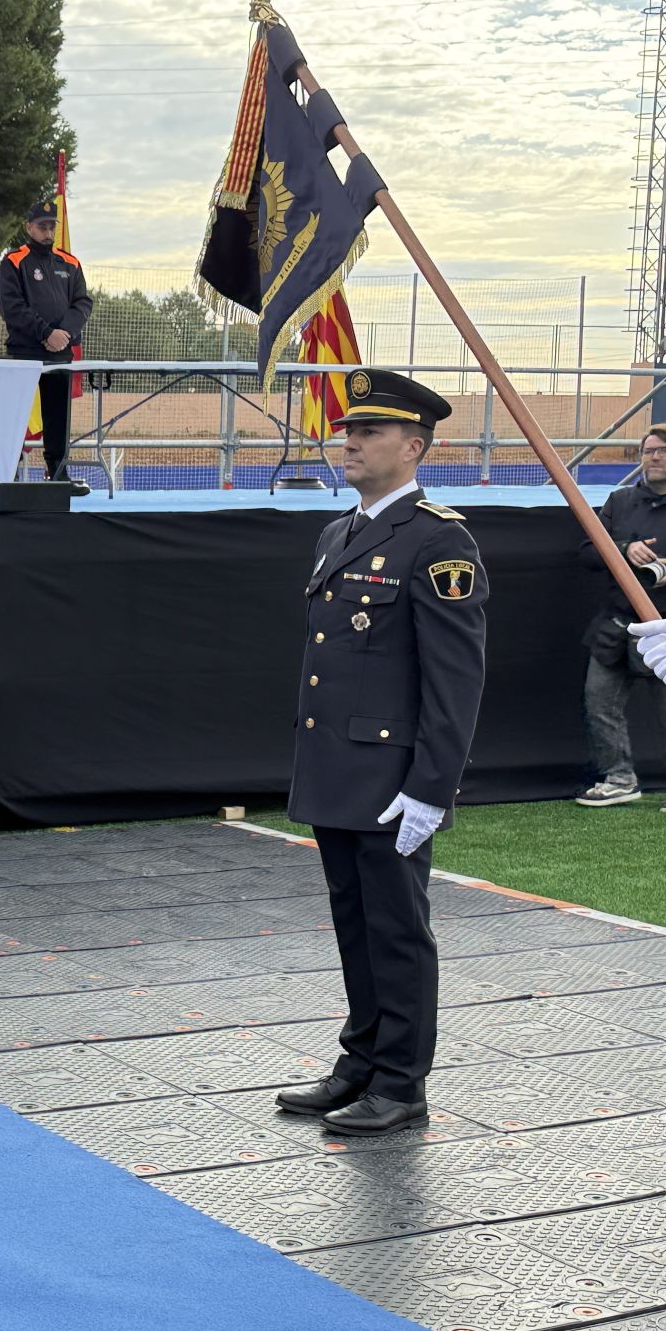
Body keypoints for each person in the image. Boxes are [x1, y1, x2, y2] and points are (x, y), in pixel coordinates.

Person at [276, 370, 488, 1136]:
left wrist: (431, 787)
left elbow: (454, 679)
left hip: (393, 778)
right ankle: (360, 1062)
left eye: (369, 432)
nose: (351, 443)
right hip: (338, 768)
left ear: (414, 447)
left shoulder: (438, 540)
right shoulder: (340, 533)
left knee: (397, 931)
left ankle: (401, 1082)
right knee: (356, 924)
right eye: (347, 431)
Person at [572, 424, 666, 810]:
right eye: (648, 451)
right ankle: (618, 778)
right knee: (599, 705)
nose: (654, 457)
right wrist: (623, 548)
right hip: (617, 624)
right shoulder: (620, 501)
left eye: (664, 450)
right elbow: (587, 553)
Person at [0, 200, 91, 483]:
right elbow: (12, 307)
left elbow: (83, 303)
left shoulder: (70, 263)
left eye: (51, 227)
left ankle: (58, 474)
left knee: (58, 417)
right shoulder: (14, 262)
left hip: (60, 353)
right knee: (16, 418)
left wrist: (63, 334)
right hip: (24, 353)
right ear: (29, 228)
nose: (48, 233)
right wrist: (46, 333)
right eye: (42, 227)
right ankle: (8, 475)